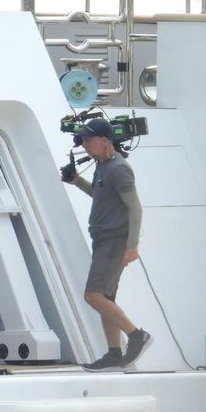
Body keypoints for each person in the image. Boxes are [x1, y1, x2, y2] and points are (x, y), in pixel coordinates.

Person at [61, 117, 151, 371]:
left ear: (104, 141)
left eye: (88, 140)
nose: (85, 145)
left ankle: (136, 336)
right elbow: (100, 195)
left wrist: (132, 245)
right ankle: (114, 353)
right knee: (107, 297)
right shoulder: (103, 166)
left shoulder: (118, 168)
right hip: (103, 240)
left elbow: (135, 207)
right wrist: (76, 180)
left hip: (114, 241)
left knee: (94, 295)